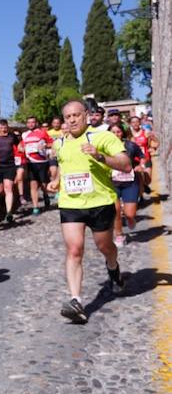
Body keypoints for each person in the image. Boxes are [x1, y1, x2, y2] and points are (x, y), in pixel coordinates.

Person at [47, 99, 132, 323]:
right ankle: (76, 301)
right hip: (70, 204)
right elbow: (65, 167)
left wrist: (100, 156)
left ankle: (113, 268)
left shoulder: (102, 137)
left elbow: (125, 164)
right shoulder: (60, 143)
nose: (72, 120)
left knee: (105, 247)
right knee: (74, 250)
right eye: (68, 117)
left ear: (86, 115)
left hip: (100, 202)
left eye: (76, 115)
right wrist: (56, 181)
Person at [109, 123, 144, 247]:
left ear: (122, 133)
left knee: (129, 213)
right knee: (116, 211)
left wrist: (141, 166)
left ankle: (130, 219)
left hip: (130, 182)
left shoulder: (130, 145)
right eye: (113, 132)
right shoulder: (104, 147)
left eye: (118, 131)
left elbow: (141, 156)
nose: (116, 134)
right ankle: (119, 235)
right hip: (112, 183)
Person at [21, 116, 53, 214]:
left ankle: (46, 195)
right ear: (27, 124)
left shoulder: (42, 132)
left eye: (33, 122)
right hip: (31, 163)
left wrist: (44, 146)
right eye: (29, 122)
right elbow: (21, 145)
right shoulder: (25, 135)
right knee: (33, 185)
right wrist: (21, 149)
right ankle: (35, 207)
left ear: (36, 123)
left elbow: (52, 143)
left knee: (43, 184)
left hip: (42, 162)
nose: (31, 124)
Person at [130, 116, 154, 200]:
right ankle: (140, 196)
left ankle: (144, 185)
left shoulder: (146, 132)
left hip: (146, 158)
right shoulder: (129, 135)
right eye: (133, 122)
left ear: (140, 122)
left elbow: (156, 142)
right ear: (130, 124)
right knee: (139, 180)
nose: (135, 124)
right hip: (136, 161)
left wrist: (153, 148)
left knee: (148, 180)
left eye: (137, 121)